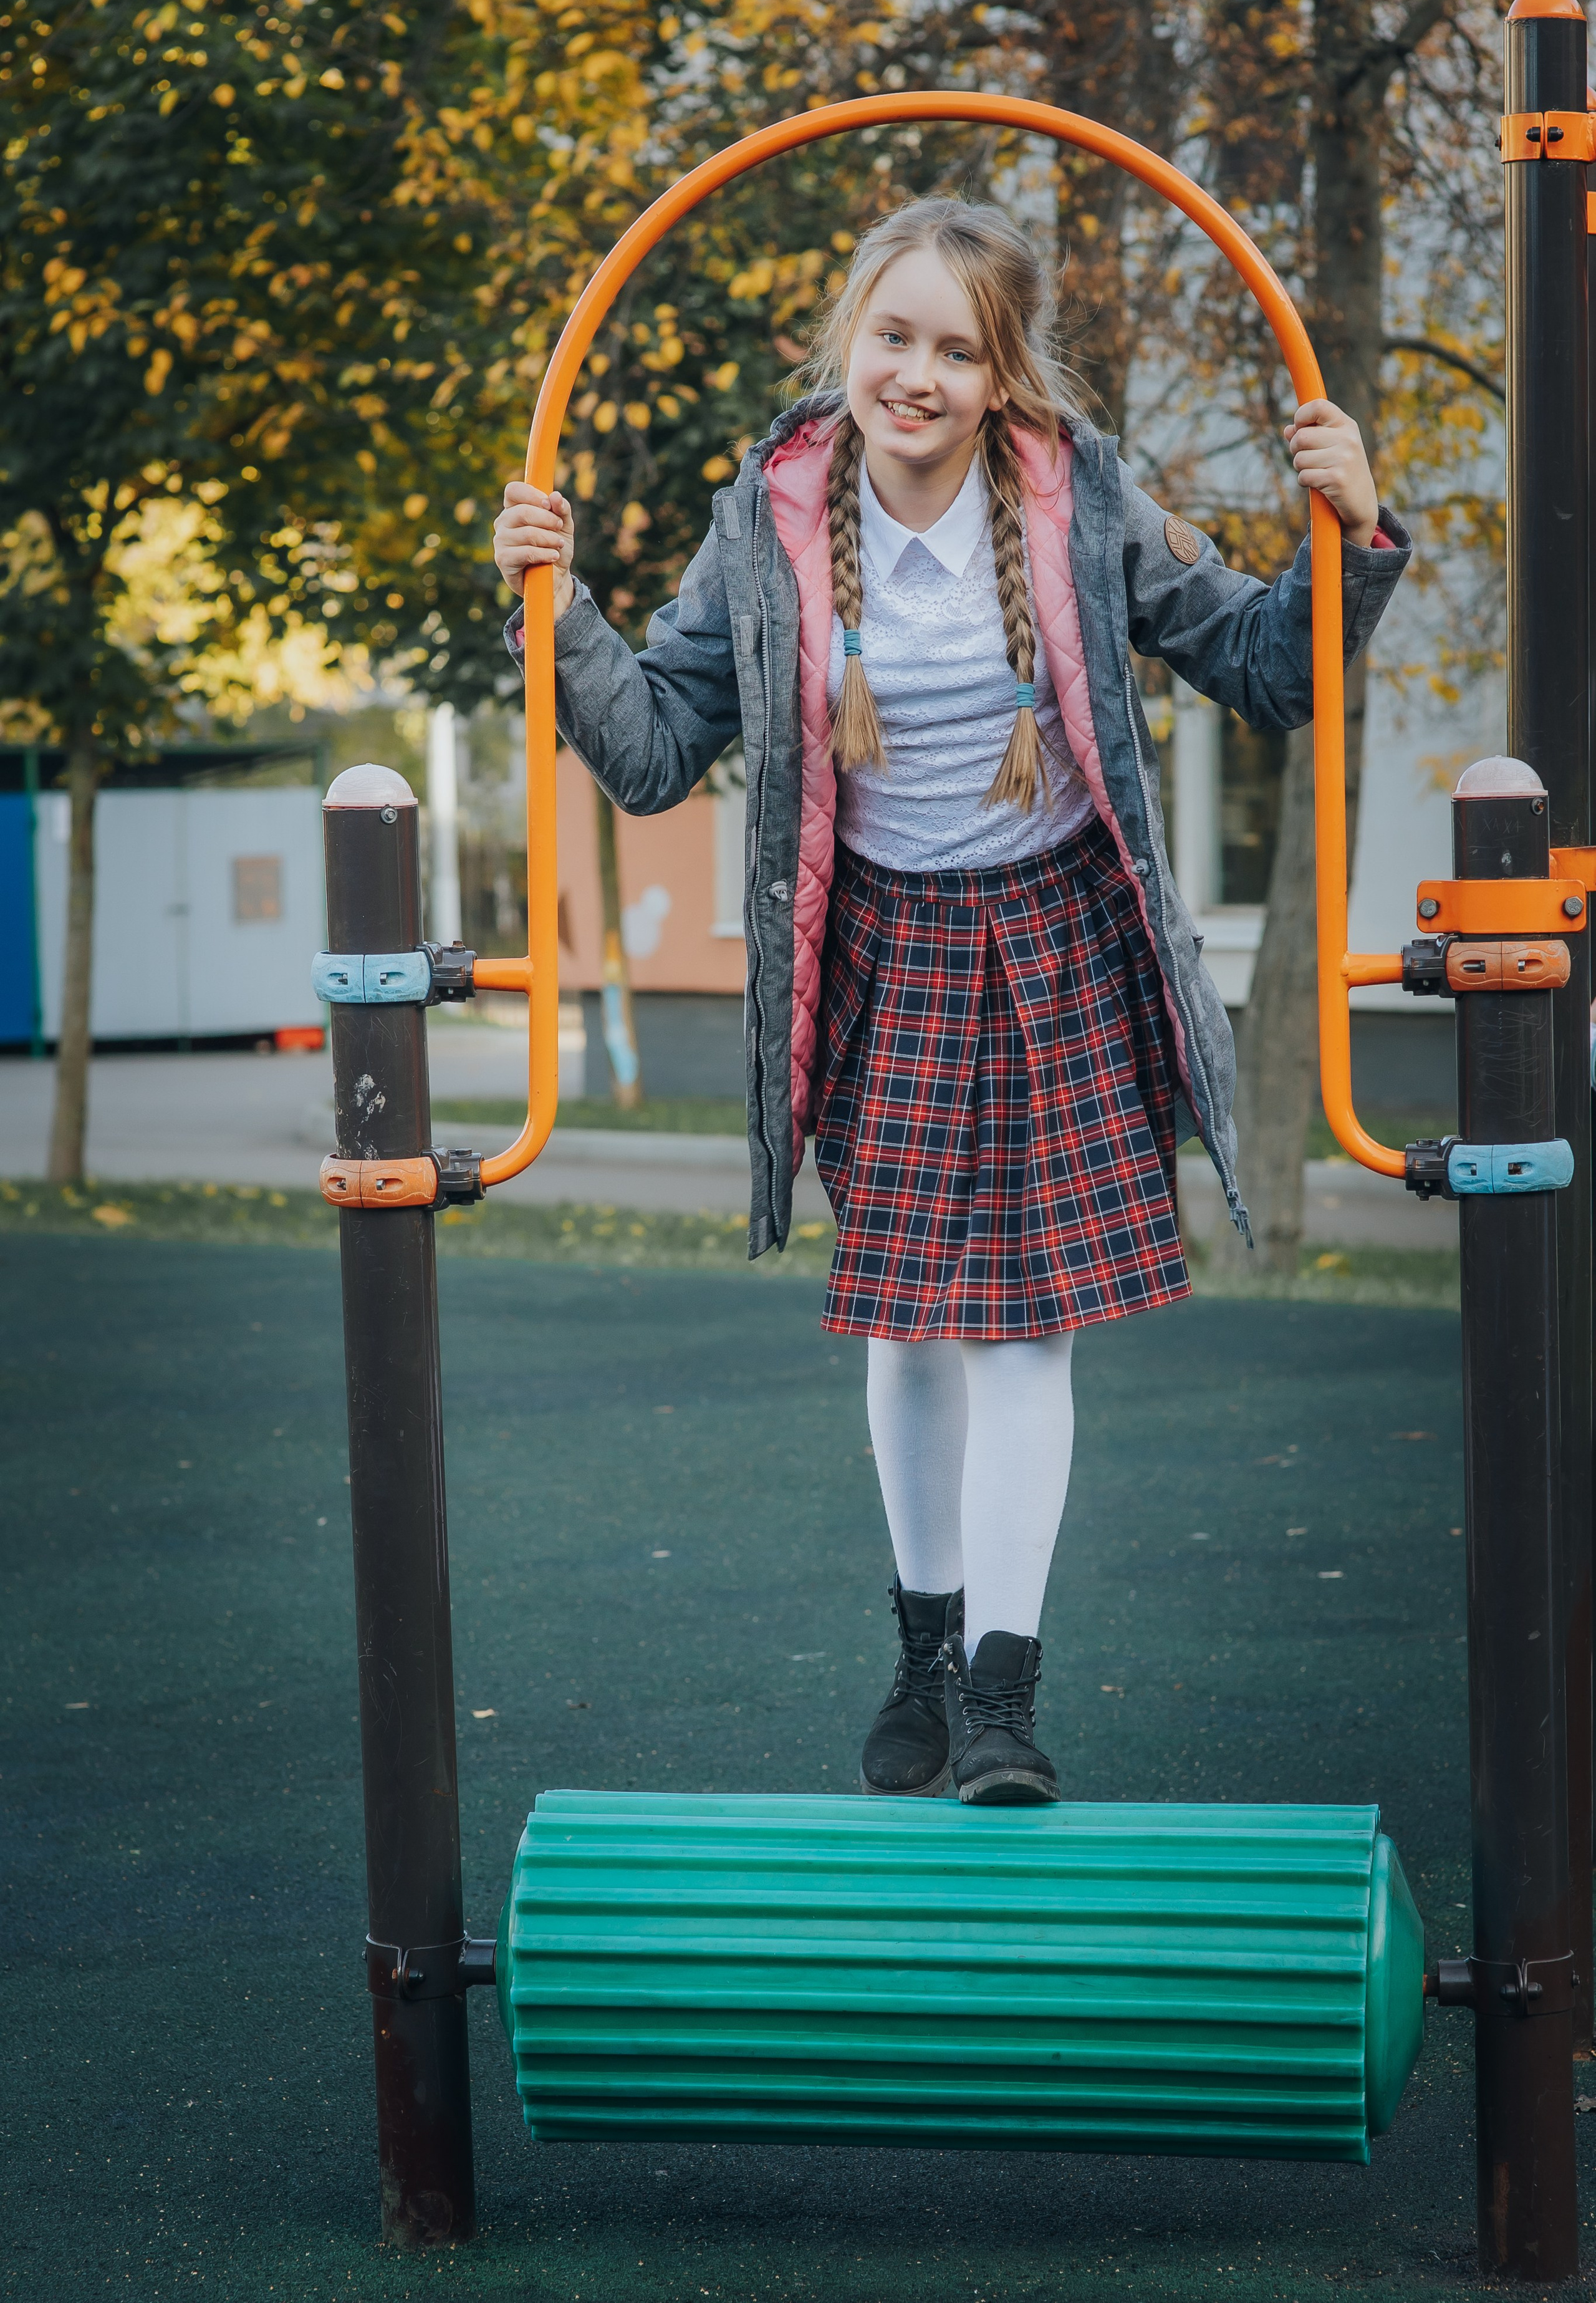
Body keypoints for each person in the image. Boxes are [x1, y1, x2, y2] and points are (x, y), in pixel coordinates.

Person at [493, 196, 1410, 1806]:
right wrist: (557, 611)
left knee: (1026, 1333)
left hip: (1053, 941)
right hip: (886, 956)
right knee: (910, 1320)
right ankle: (920, 1649)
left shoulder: (1080, 496)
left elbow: (1268, 671)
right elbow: (650, 756)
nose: (915, 374)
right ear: (850, 339)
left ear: (1004, 378)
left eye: (955, 350)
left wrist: (1351, 533)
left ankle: (1001, 1692)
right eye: (893, 336)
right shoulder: (769, 519)